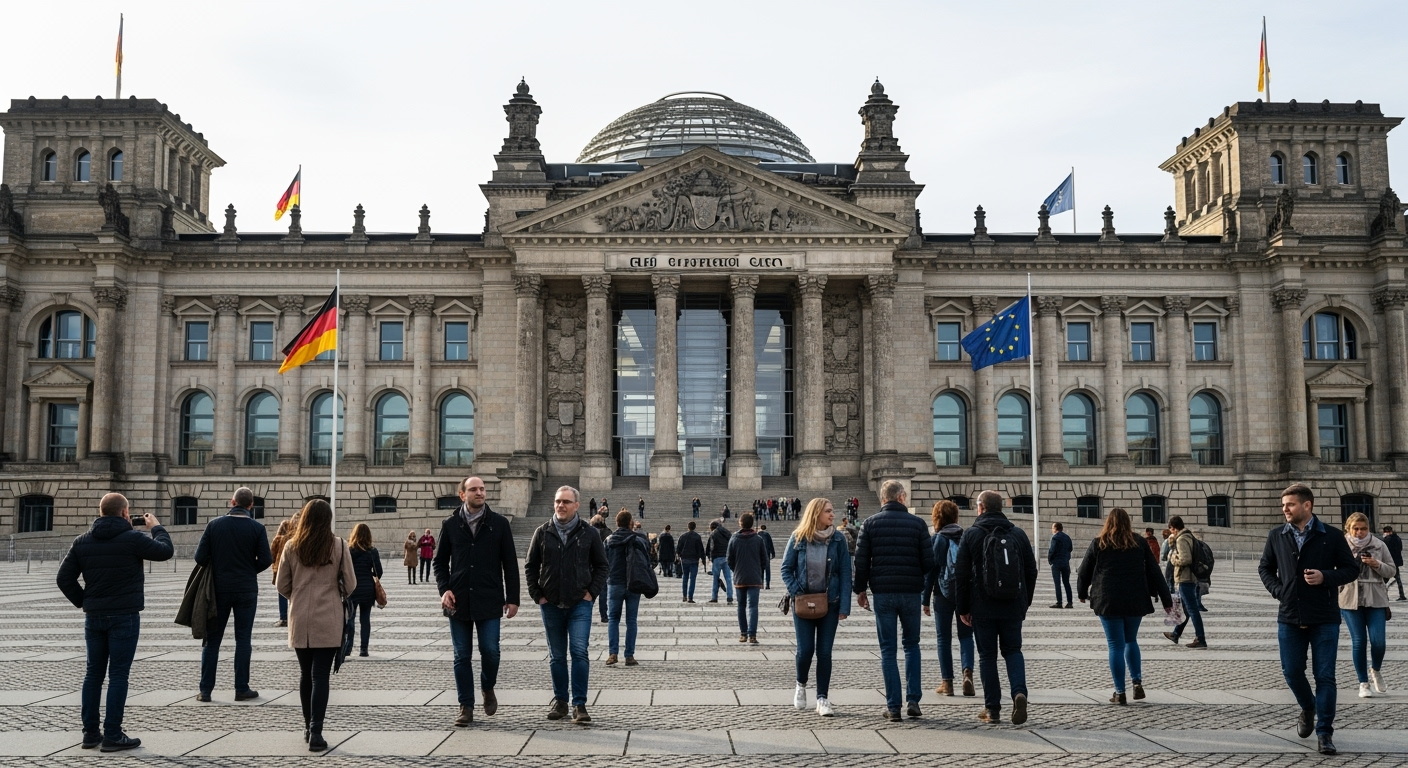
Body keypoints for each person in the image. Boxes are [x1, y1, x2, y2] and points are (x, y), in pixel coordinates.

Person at [57, 493, 173, 752]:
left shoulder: (82, 541)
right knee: (118, 675)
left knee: (93, 674)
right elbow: (166, 551)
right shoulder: (133, 539)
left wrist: (85, 601)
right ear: (124, 513)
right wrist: (156, 527)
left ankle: (90, 734)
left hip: (94, 617)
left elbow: (63, 578)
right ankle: (112, 734)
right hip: (124, 616)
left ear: (101, 512)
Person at [1258, 484, 1358, 755]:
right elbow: (1265, 567)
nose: (1285, 509)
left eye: (1290, 504)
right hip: (1289, 615)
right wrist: (1279, 591)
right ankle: (1308, 706)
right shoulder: (1276, 535)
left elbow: (1351, 569)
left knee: (1325, 676)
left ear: (1307, 505)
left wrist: (1326, 577)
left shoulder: (1331, 535)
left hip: (1324, 616)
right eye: (1283, 505)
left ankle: (1325, 733)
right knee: (1291, 672)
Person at [435, 476, 519, 727]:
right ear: (462, 495)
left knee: (490, 651)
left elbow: (510, 563)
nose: (480, 492)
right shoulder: (450, 524)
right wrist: (444, 590)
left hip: (489, 598)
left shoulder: (499, 524)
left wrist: (513, 598)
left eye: (482, 489)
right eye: (474, 489)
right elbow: (439, 563)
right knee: (461, 655)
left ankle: (487, 686)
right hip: (458, 599)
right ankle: (466, 705)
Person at [275, 499, 355, 752]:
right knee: (320, 676)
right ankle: (317, 732)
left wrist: (298, 596)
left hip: (300, 617)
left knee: (305, 674)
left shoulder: (291, 546)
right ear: (328, 519)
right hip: (328, 618)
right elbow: (351, 584)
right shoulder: (338, 545)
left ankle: (307, 727)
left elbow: (281, 585)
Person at [524, 485, 608, 725]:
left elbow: (602, 566)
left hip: (580, 603)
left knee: (579, 652)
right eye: (558, 501)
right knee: (557, 656)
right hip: (550, 602)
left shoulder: (589, 533)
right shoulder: (542, 532)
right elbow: (530, 566)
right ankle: (561, 701)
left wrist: (591, 593)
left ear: (577, 505)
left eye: (566, 502)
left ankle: (579, 704)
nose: (560, 505)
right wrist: (537, 595)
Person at [854, 480, 934, 721]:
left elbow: (861, 562)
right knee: (912, 645)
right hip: (911, 593)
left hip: (883, 593)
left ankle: (893, 707)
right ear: (902, 497)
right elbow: (929, 563)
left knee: (888, 650)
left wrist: (860, 590)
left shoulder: (869, 524)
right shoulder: (918, 524)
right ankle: (913, 700)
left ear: (883, 499)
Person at [955, 490, 1037, 725]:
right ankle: (1019, 692)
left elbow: (961, 576)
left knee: (987, 656)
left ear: (980, 507)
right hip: (1012, 605)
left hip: (982, 607)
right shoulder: (1018, 534)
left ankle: (992, 710)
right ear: (1002, 508)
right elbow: (1031, 571)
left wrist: (962, 608)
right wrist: (1024, 602)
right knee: (1013, 651)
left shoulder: (971, 534)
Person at [1076, 507, 1173, 704]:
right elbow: (1154, 570)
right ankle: (1137, 682)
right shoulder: (1139, 542)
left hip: (1108, 600)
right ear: (1128, 523)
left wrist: (1081, 593)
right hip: (1134, 599)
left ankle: (1120, 692)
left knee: (1115, 645)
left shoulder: (1099, 543)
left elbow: (1084, 571)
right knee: (1131, 640)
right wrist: (1166, 600)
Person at [193, 487, 272, 702]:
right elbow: (266, 559)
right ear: (251, 505)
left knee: (212, 640)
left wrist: (218, 566)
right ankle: (241, 688)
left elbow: (199, 557)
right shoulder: (257, 528)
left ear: (232, 502)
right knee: (243, 639)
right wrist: (249, 571)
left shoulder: (214, 525)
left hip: (218, 589)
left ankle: (205, 691)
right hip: (246, 589)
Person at [781, 497, 852, 717]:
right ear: (816, 513)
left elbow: (846, 573)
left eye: (832, 510)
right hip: (804, 603)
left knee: (824, 652)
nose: (833, 514)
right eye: (828, 511)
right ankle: (800, 684)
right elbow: (786, 569)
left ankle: (822, 698)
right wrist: (797, 591)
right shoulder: (798, 537)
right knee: (805, 651)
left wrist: (845, 606)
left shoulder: (838, 539)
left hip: (830, 603)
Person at [1340, 512, 1396, 698]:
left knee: (1378, 641)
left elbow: (1392, 570)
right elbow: (1333, 570)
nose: (1359, 532)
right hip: (1350, 597)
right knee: (1359, 641)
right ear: (1348, 528)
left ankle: (1376, 669)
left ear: (1368, 528)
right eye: (1355, 528)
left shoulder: (1379, 545)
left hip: (1376, 597)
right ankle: (1363, 683)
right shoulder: (1341, 545)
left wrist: (1376, 564)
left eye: (1363, 528)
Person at [922, 500, 974, 698]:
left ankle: (947, 683)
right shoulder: (966, 536)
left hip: (942, 593)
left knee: (943, 638)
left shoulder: (938, 538)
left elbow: (932, 570)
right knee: (966, 636)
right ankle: (967, 674)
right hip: (964, 592)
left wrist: (925, 598)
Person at [604, 510, 647, 666]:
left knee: (613, 619)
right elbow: (647, 560)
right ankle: (629, 656)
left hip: (615, 582)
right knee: (631, 620)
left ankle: (613, 653)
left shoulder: (609, 540)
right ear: (630, 523)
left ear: (617, 523)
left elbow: (602, 562)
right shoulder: (638, 540)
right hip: (633, 583)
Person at [1162, 516, 1207, 649]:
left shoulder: (1182, 539)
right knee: (1187, 610)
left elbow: (1185, 559)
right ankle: (1176, 634)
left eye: (1171, 529)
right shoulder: (1188, 536)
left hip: (1184, 578)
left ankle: (1201, 639)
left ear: (1174, 528)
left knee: (1192, 609)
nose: (1171, 532)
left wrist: (1172, 558)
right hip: (1188, 578)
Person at [728, 512, 769, 644]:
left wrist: (736, 570)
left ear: (740, 523)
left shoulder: (734, 539)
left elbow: (729, 559)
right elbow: (765, 559)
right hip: (754, 577)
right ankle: (752, 635)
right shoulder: (758, 539)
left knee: (741, 606)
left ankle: (743, 634)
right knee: (753, 606)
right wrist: (759, 571)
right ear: (751, 524)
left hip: (740, 577)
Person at [346, 523, 383, 657]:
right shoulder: (372, 551)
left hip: (352, 588)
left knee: (350, 619)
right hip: (368, 589)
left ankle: (348, 648)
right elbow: (379, 572)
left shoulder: (349, 551)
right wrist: (369, 574)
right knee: (365, 619)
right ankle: (364, 649)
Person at [270, 517, 296, 627]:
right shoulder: (299, 537)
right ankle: (294, 616)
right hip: (296, 568)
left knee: (282, 590)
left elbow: (272, 553)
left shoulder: (280, 538)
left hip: (282, 566)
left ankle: (284, 617)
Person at [707, 519, 734, 604]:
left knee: (715, 578)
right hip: (726, 557)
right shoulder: (727, 532)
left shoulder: (713, 534)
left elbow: (711, 547)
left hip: (717, 558)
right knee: (728, 579)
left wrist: (710, 557)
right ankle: (729, 597)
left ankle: (714, 597)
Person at [590, 514, 611, 623]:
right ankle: (604, 615)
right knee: (603, 592)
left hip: (591, 566)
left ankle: (586, 612)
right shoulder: (608, 532)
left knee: (590, 591)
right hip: (604, 566)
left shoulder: (588, 532)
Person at [677, 521, 705, 602]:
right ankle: (690, 597)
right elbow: (700, 549)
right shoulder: (697, 537)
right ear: (695, 527)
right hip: (694, 560)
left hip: (685, 559)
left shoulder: (683, 536)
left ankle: (684, 596)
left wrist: (679, 556)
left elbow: (678, 548)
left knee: (685, 577)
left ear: (688, 527)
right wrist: (703, 559)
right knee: (693, 579)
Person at [1048, 522, 1073, 609]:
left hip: (1056, 563)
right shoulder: (1067, 537)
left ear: (1056, 528)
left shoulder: (1055, 538)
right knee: (1067, 583)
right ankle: (1070, 602)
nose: (1052, 530)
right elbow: (1070, 548)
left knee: (1057, 583)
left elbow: (1052, 550)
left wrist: (1050, 560)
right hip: (1065, 563)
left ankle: (1059, 602)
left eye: (1052, 528)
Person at [1383, 525, 1406, 601]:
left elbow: (1384, 551)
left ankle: (1384, 595)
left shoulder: (1387, 540)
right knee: (1398, 579)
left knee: (1384, 580)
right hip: (1396, 561)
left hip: (1389, 562)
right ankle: (1402, 595)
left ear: (1387, 532)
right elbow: (1400, 548)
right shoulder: (1398, 538)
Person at [758, 524, 776, 590]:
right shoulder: (767, 535)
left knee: (761, 570)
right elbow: (771, 544)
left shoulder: (757, 535)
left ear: (760, 528)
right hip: (766, 554)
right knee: (767, 570)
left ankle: (761, 584)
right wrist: (773, 553)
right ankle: (767, 584)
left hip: (759, 555)